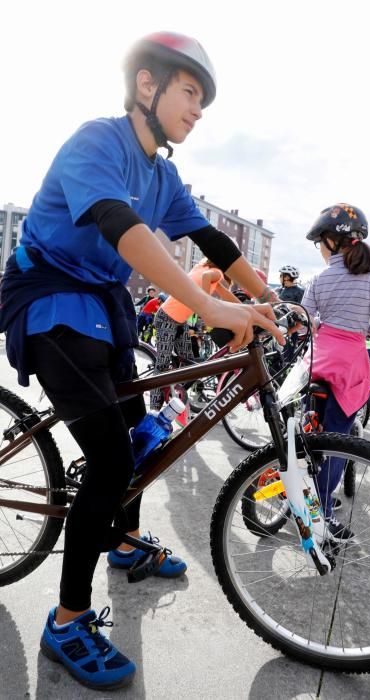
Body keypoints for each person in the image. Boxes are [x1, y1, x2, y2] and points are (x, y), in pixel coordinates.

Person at [0, 31, 282, 691]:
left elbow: (209, 238)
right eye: (191, 92)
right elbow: (121, 229)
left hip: (102, 306)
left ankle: (123, 543)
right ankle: (67, 622)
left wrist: (274, 299)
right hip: (48, 299)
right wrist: (209, 308)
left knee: (138, 431)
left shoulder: (163, 173)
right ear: (147, 86)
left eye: (203, 99)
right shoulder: (96, 142)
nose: (198, 109)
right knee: (109, 456)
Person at [302, 203, 370, 540]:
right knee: (337, 443)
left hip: (317, 363)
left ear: (330, 241)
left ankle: (300, 499)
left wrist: (326, 323)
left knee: (309, 438)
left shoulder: (319, 278)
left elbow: (304, 322)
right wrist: (357, 326)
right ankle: (321, 515)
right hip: (350, 366)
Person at [150, 257, 239, 409]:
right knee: (163, 366)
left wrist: (247, 311)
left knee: (189, 365)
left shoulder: (205, 268)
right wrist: (204, 304)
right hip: (167, 317)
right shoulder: (215, 272)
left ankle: (173, 396)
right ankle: (154, 410)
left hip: (180, 321)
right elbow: (206, 279)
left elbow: (227, 296)